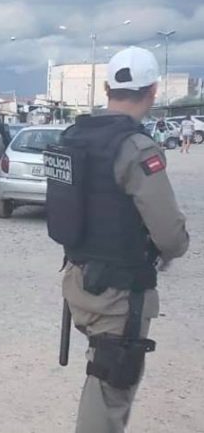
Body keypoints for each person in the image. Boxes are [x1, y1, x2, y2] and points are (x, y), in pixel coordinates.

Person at [46, 47, 188, 432]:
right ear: (153, 91)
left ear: (107, 89)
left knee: (102, 379)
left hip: (79, 280)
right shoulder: (136, 148)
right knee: (111, 389)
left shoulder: (75, 136)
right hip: (118, 293)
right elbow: (171, 236)